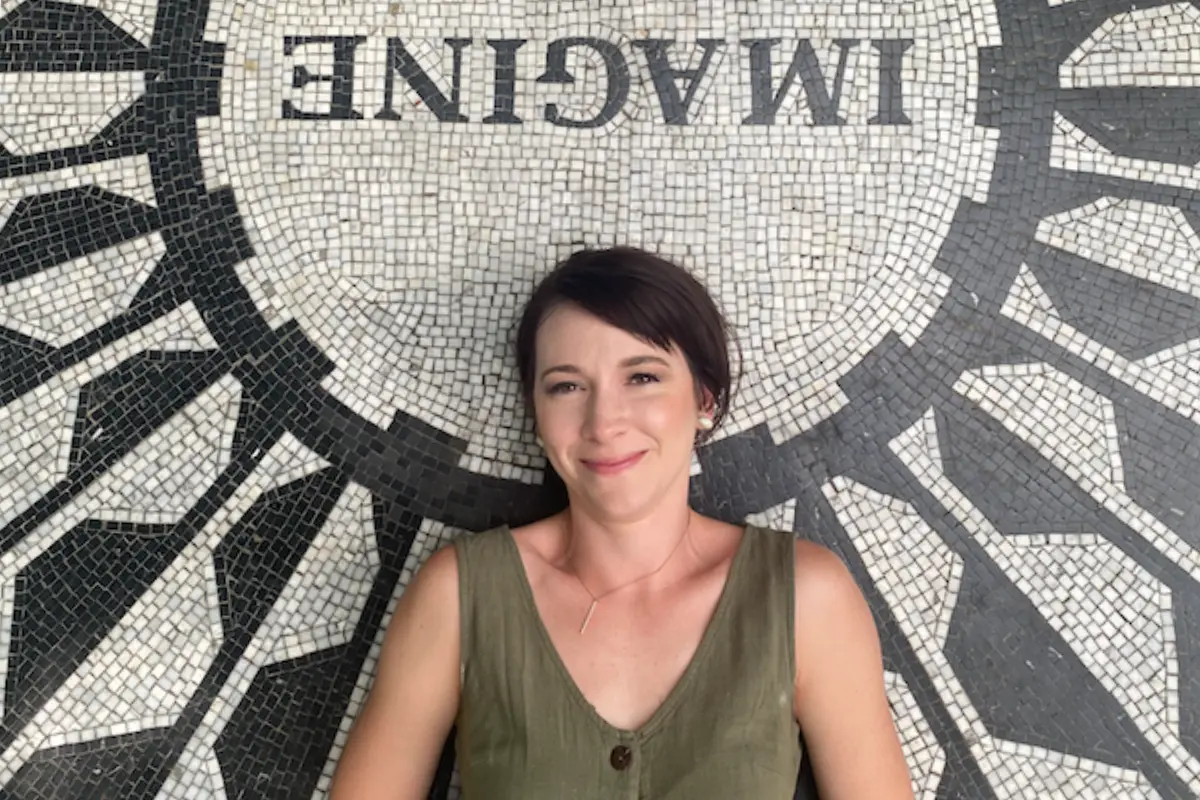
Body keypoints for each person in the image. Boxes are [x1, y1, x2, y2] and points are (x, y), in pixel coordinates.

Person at [330, 247, 913, 799]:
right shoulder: (459, 595)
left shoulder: (805, 597)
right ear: (536, 415)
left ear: (705, 398)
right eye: (566, 386)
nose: (603, 421)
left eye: (642, 377)